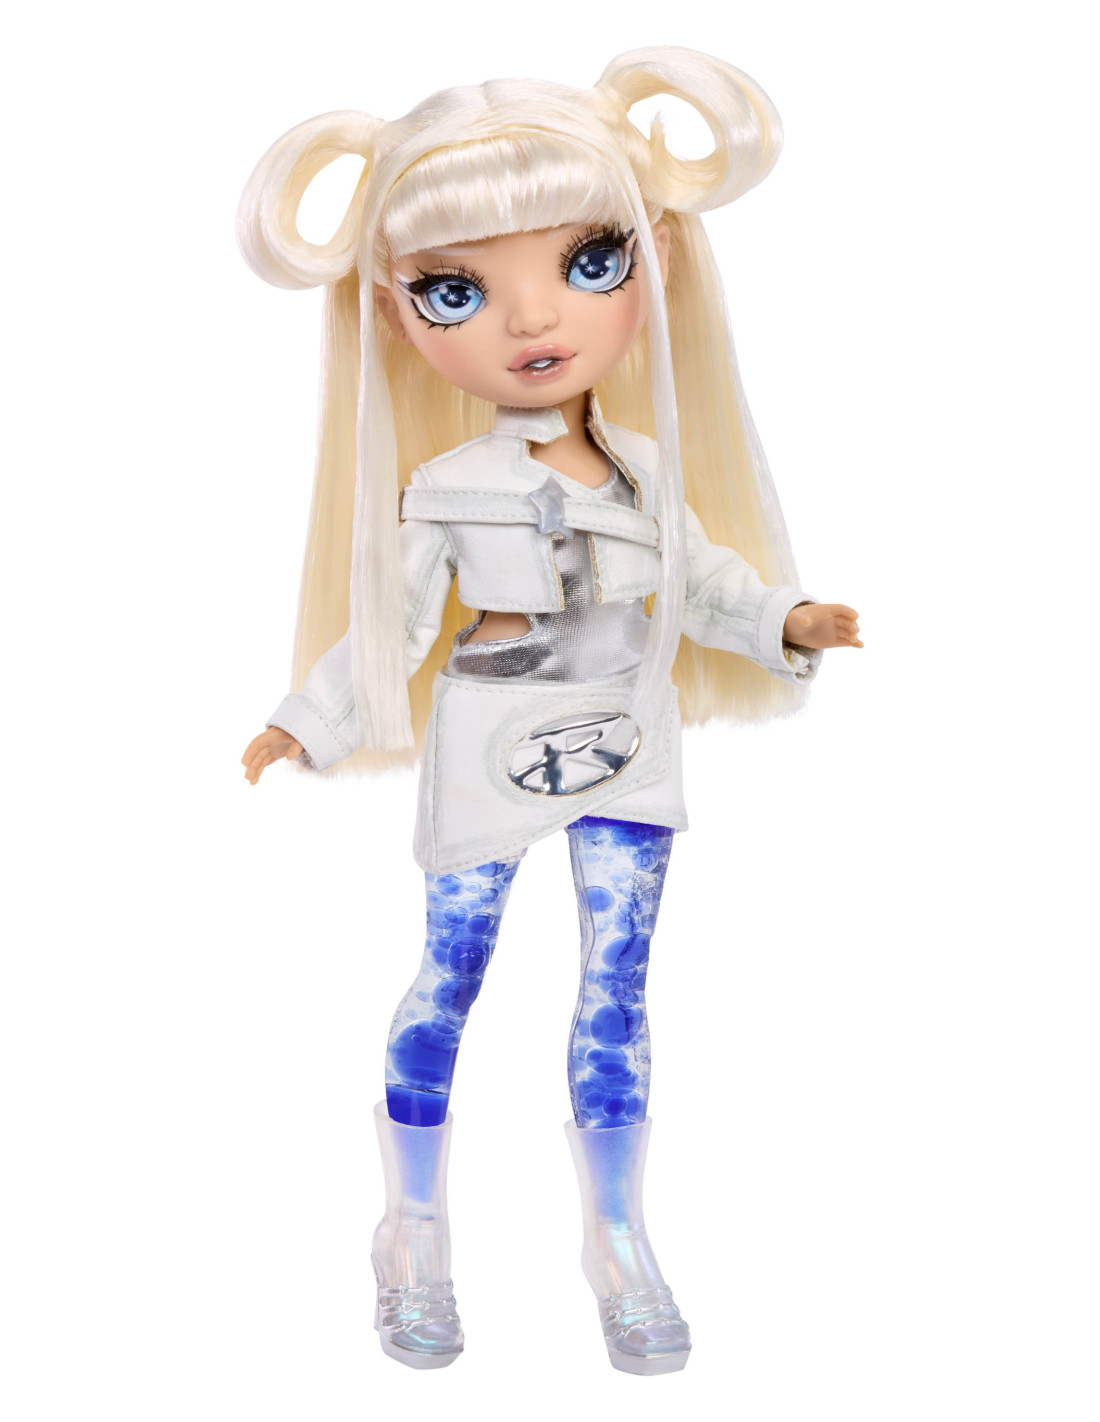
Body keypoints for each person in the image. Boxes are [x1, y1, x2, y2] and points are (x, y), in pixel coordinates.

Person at [237, 46, 861, 1375]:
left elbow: (706, 581)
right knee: (452, 969)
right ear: (395, 313)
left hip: (626, 729)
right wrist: (309, 716)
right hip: (489, 740)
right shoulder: (446, 487)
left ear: (658, 263)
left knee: (616, 985)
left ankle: (617, 1236)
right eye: (456, 291)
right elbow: (394, 621)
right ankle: (412, 1228)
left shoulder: (648, 471)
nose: (533, 321)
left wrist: (786, 619)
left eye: (589, 263)